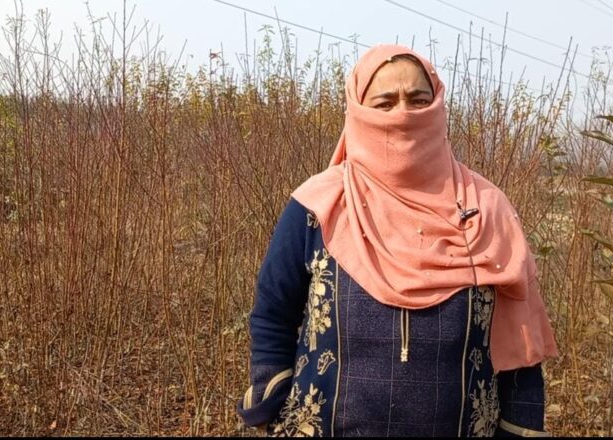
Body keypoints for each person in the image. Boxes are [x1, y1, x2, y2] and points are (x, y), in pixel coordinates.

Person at [236, 44, 558, 437]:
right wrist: (273, 403)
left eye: (418, 100)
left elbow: (521, 341)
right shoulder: (318, 205)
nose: (403, 114)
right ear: (358, 110)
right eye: (385, 103)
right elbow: (273, 314)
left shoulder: (486, 208)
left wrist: (522, 423)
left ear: (438, 105)